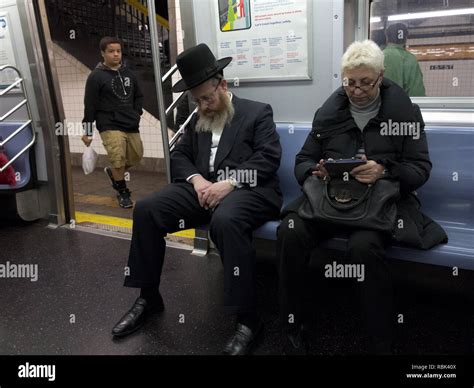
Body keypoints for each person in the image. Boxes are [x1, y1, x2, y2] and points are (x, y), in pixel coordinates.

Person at [111, 43, 282, 355]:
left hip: (249, 191)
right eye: (197, 100)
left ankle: (247, 318)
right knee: (148, 210)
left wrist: (228, 183)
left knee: (227, 220)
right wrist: (198, 179)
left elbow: (267, 161)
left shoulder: (257, 112)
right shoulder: (198, 118)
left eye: (207, 97)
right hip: (204, 191)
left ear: (223, 85)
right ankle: (148, 297)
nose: (203, 105)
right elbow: (179, 156)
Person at [277, 40, 447, 354]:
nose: (356, 91)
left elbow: (420, 169)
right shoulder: (328, 113)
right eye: (350, 83)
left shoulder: (404, 114)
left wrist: (384, 170)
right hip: (330, 199)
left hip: (379, 203)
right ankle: (293, 322)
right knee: (290, 231)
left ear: (381, 78)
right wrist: (317, 170)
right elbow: (302, 160)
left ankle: (380, 338)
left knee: (364, 246)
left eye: (365, 83)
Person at [82, 36, 144, 208]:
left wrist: (136, 112)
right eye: (111, 51)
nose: (116, 54)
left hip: (130, 122)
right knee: (117, 158)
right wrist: (88, 131)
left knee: (136, 155)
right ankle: (123, 192)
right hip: (108, 123)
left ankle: (113, 172)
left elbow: (138, 96)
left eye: (118, 51)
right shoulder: (96, 77)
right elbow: (90, 105)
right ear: (103, 53)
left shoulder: (129, 74)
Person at [383, 23, 426, 96]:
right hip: (403, 106)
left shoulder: (379, 57)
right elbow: (417, 93)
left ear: (387, 37)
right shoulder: (411, 59)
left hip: (381, 106)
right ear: (405, 39)